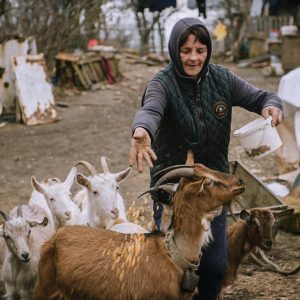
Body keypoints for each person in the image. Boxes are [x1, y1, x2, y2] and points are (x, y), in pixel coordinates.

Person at [128, 17, 283, 300]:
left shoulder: (223, 79)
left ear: (208, 50)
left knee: (213, 266)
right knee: (170, 269)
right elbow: (150, 110)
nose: (194, 57)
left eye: (200, 49)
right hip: (174, 194)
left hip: (213, 191)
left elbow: (262, 97)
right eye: (186, 50)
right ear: (175, 51)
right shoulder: (162, 84)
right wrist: (142, 132)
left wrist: (271, 106)